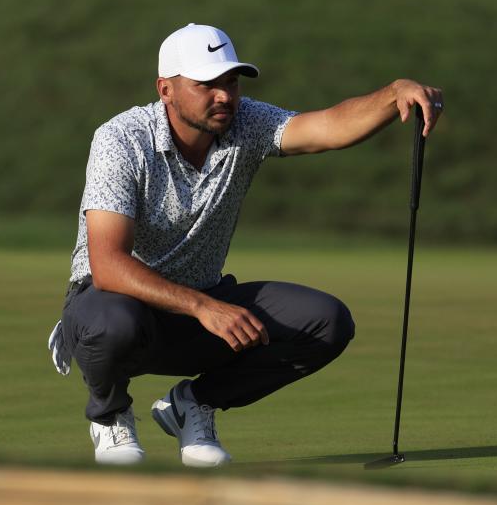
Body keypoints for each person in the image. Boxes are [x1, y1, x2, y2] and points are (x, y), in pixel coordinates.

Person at [47, 23, 444, 466]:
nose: (224, 96)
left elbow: (327, 127)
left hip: (199, 307)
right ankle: (111, 416)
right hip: (113, 307)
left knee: (326, 322)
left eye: (230, 82)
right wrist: (203, 307)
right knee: (112, 322)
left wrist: (393, 94)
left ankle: (192, 405)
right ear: (166, 89)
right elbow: (108, 265)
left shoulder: (246, 123)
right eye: (207, 85)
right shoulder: (121, 139)